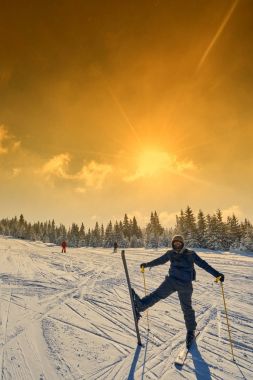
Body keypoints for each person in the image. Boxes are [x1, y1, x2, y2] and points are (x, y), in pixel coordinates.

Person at [132, 235, 224, 348]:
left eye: (179, 243)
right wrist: (146, 265)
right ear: (172, 244)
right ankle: (140, 306)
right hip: (171, 281)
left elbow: (204, 265)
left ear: (183, 243)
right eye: (175, 243)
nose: (177, 245)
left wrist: (217, 274)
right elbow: (159, 261)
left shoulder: (191, 254)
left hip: (185, 284)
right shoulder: (170, 253)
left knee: (186, 308)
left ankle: (190, 331)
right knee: (157, 294)